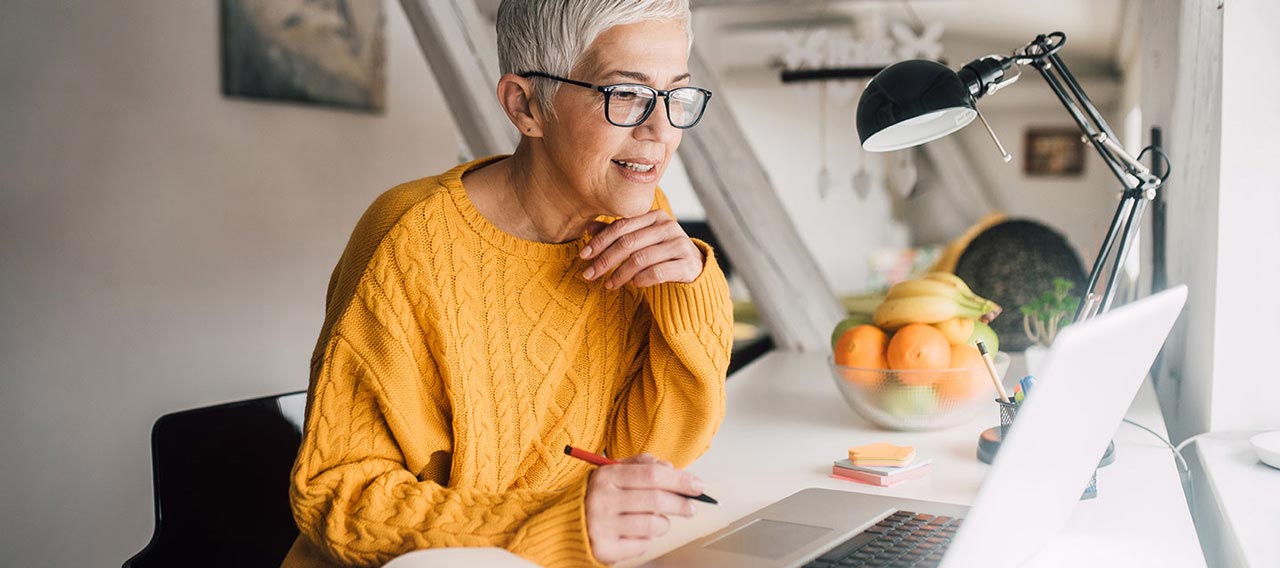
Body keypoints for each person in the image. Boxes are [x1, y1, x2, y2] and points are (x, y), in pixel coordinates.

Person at [281, 1, 733, 566]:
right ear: (526, 107)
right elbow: (338, 494)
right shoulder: (410, 240)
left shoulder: (634, 223)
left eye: (677, 95)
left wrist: (690, 287)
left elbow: (655, 453)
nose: (661, 131)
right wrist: (547, 525)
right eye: (626, 94)